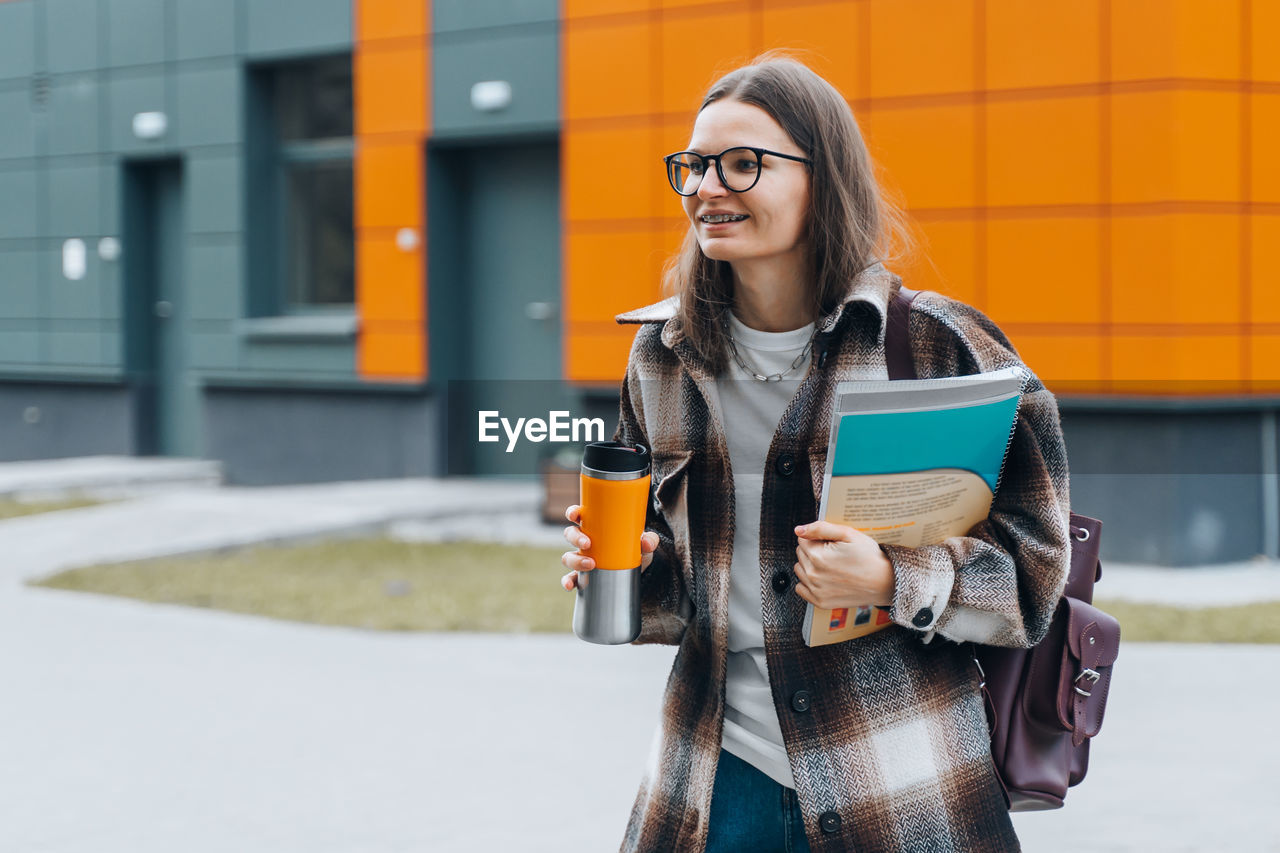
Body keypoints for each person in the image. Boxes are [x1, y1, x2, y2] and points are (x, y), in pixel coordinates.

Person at [559, 55, 1072, 853]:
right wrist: (635, 570)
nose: (705, 187)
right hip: (711, 788)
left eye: (742, 164)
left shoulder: (936, 344)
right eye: (693, 167)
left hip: (898, 789)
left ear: (821, 177)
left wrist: (891, 578)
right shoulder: (660, 355)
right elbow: (686, 606)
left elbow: (1034, 579)